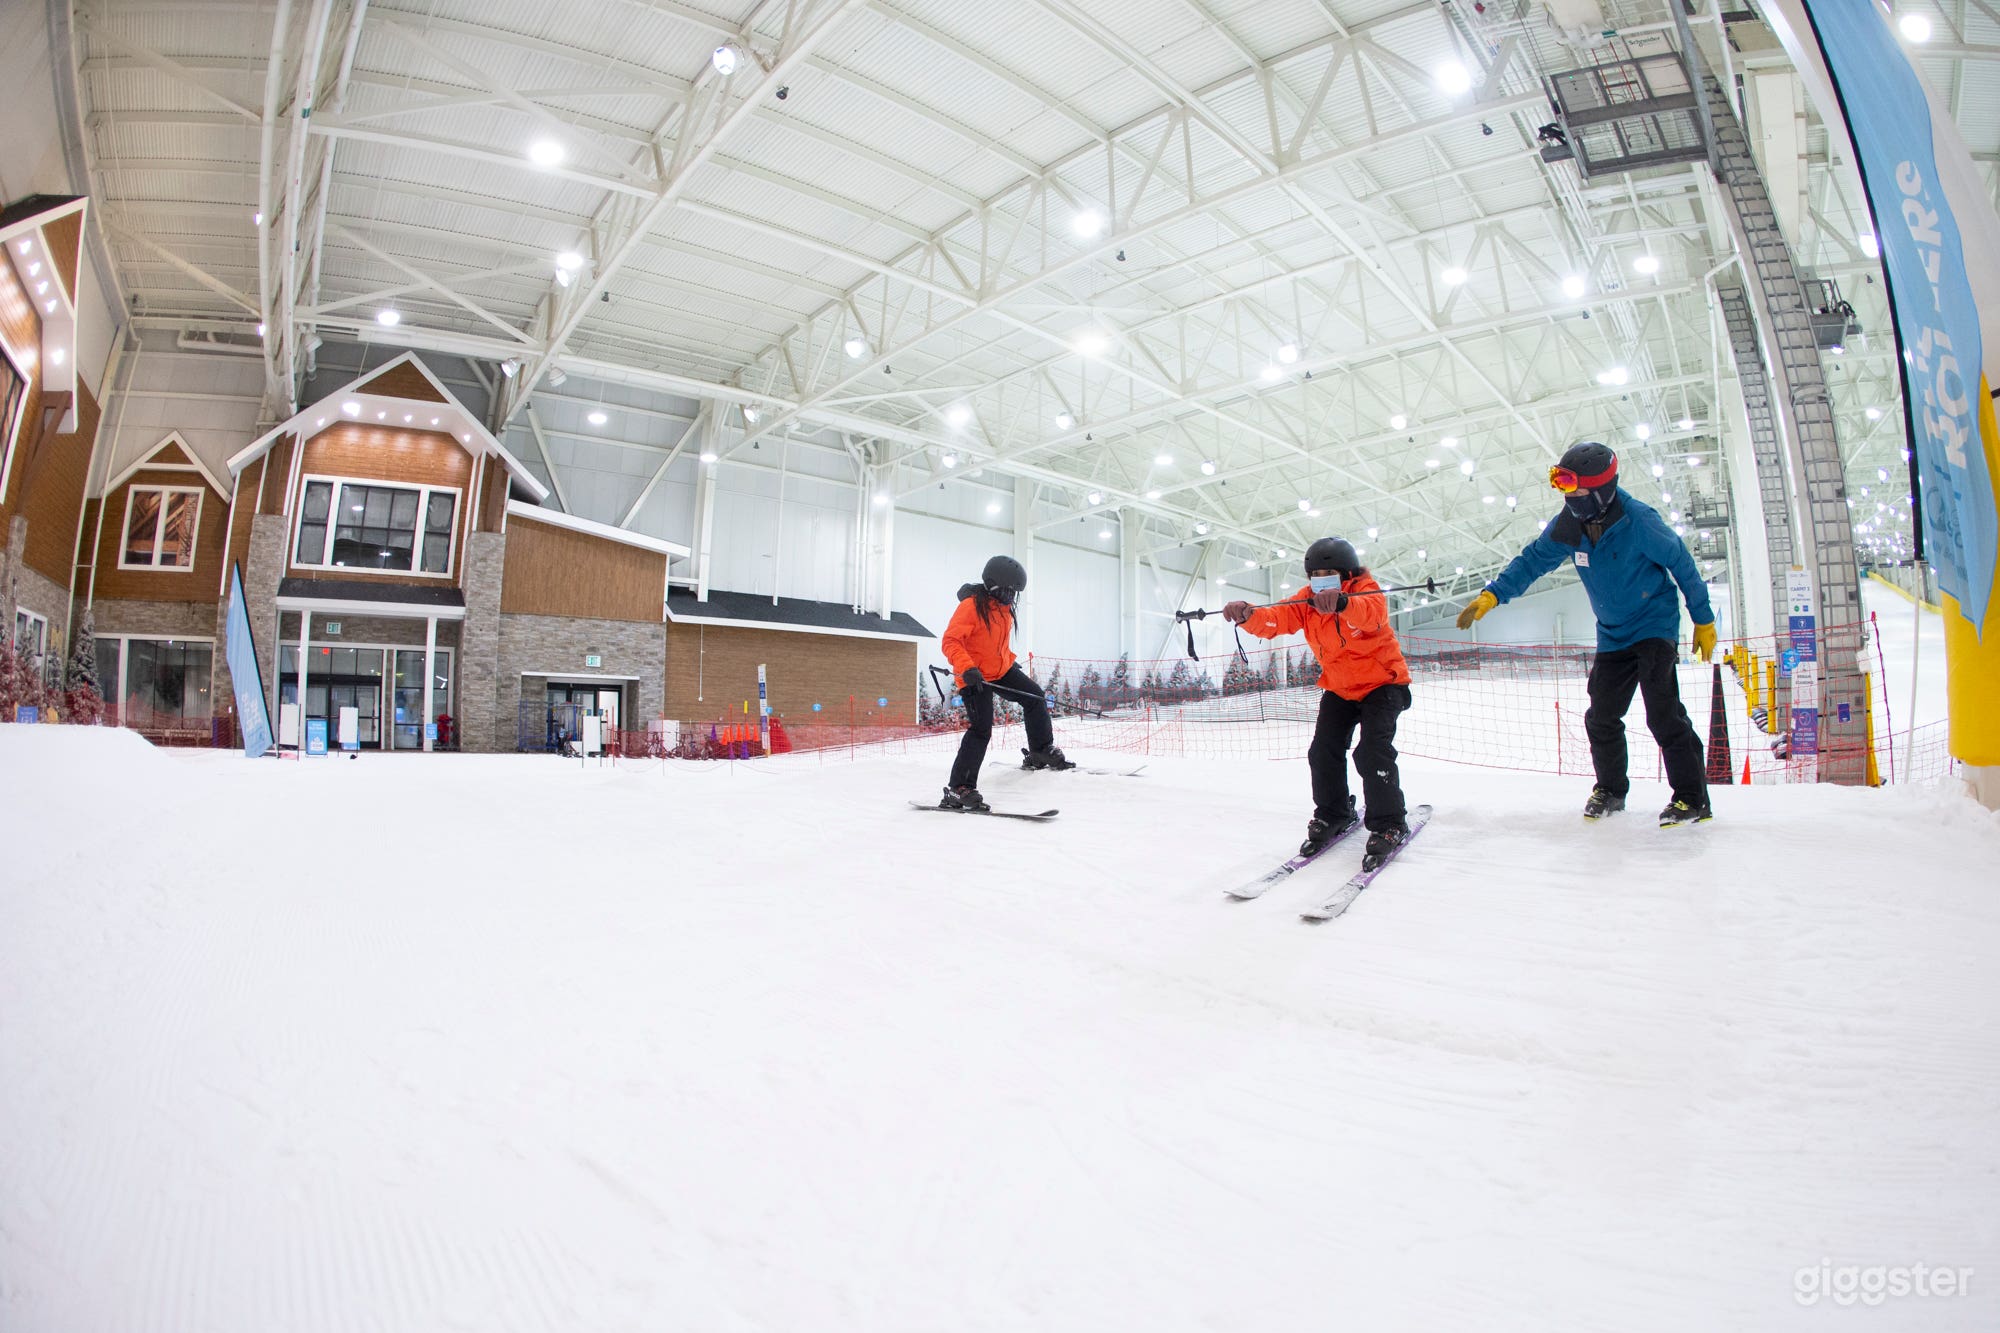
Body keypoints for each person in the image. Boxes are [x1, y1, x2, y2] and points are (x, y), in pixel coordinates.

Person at [1454, 440, 1720, 826]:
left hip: (1653, 626)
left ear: (1602, 489)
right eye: (1564, 488)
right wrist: (1493, 594)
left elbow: (1681, 564)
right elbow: (1533, 561)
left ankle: (1692, 798)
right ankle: (1611, 790)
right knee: (1601, 716)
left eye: (1575, 489)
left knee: (1662, 713)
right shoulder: (1570, 523)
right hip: (1612, 633)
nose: (1569, 496)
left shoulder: (1639, 521)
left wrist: (1703, 618)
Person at [1223, 537, 1413, 865]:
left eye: (1331, 571)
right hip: (1340, 688)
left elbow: (1372, 616)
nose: (1322, 577)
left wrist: (1343, 604)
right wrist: (1248, 615)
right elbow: (1277, 619)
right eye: (1317, 572)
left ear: (1347, 573)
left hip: (1382, 685)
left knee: (1371, 752)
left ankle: (1389, 823)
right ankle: (1334, 812)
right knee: (1322, 751)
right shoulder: (1307, 599)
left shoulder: (1366, 589)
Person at [939, 555, 1071, 810]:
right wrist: (967, 668)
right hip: (974, 677)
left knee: (1035, 697)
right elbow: (951, 641)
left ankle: (1040, 751)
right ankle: (959, 788)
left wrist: (1009, 660)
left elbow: (995, 645)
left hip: (1000, 671)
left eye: (1015, 592)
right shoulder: (970, 607)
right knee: (981, 729)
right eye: (1007, 590)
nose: (1011, 596)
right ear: (992, 585)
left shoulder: (1004, 610)